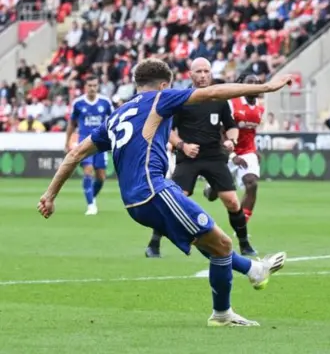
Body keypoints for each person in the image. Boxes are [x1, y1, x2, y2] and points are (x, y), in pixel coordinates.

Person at [38, 58, 293, 326]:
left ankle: (249, 275)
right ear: (163, 85)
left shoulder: (116, 116)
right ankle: (226, 307)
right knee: (223, 244)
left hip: (135, 203)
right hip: (155, 190)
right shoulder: (160, 98)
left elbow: (76, 153)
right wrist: (266, 87)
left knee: (209, 243)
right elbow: (213, 93)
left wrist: (50, 195)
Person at [145, 58, 257, 258]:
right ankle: (154, 244)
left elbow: (231, 126)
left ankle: (245, 243)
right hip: (189, 158)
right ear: (190, 74)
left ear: (211, 74)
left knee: (232, 201)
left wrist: (231, 141)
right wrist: (182, 145)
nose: (203, 75)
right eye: (199, 71)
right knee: (175, 200)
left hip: (214, 156)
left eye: (207, 71)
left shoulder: (219, 99)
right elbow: (167, 129)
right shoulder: (182, 99)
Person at [204, 74, 263, 227]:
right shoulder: (231, 104)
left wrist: (254, 150)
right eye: (250, 82)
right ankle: (211, 188)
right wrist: (231, 155)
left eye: (257, 83)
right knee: (212, 195)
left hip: (247, 151)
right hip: (226, 152)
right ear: (241, 85)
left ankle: (241, 226)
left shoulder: (260, 107)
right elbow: (219, 131)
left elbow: (250, 132)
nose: (254, 85)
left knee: (252, 184)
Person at [65, 75, 114, 215]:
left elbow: (114, 120)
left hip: (100, 143)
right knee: (88, 170)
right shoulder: (78, 103)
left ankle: (91, 198)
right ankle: (91, 205)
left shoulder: (105, 102)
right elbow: (71, 124)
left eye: (94, 85)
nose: (92, 88)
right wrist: (67, 141)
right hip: (83, 143)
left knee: (101, 177)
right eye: (89, 85)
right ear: (85, 87)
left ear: (98, 86)